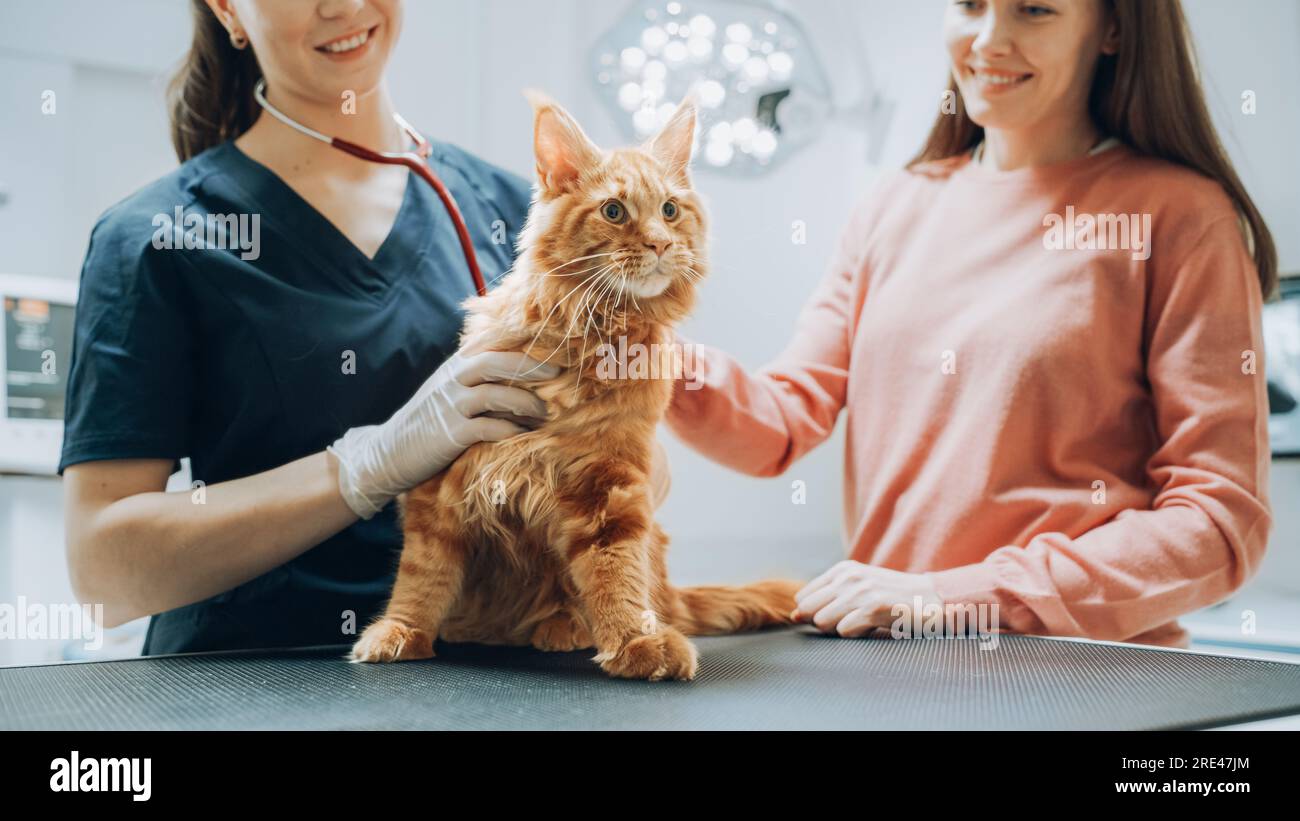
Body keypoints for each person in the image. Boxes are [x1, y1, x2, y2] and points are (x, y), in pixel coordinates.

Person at [58, 0, 663, 655]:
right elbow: (103, 574)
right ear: (229, 9)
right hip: (248, 687)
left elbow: (641, 473)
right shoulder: (157, 238)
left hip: (501, 685)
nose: (341, 7)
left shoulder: (526, 211)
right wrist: (365, 467)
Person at [666, 0, 1276, 648]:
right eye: (969, 5)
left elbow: (1217, 522)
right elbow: (780, 421)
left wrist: (951, 596)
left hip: (1083, 681)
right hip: (891, 675)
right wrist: (646, 358)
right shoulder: (893, 206)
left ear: (1114, 29)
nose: (989, 40)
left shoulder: (1180, 216)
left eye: (1034, 11)